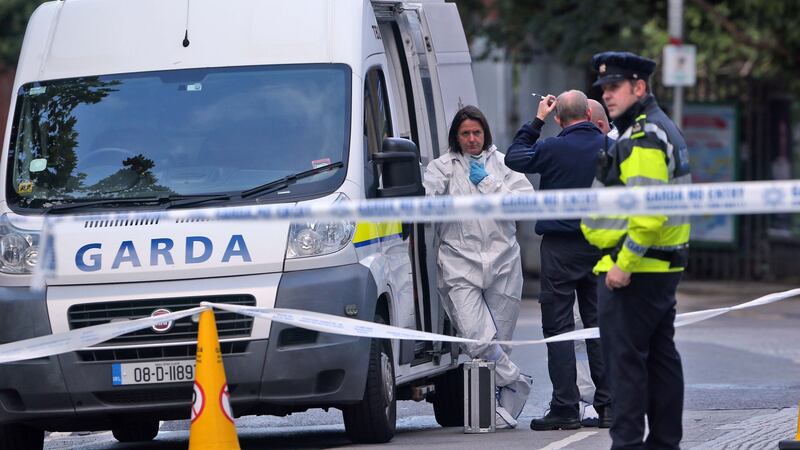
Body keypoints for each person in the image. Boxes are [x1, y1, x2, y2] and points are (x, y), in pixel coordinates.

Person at [581, 51, 691, 450]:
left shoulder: (644, 134)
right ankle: (664, 443)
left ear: (639, 87)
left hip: (636, 269)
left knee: (625, 367)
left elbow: (648, 213)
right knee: (661, 362)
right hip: (655, 267)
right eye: (604, 88)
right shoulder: (654, 128)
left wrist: (623, 265)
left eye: (615, 87)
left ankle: (626, 444)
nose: (607, 95)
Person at [505, 90, 611, 431]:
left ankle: (565, 407)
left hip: (560, 249)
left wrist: (536, 121)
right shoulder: (611, 148)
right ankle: (608, 406)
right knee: (600, 326)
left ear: (558, 117)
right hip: (602, 246)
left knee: (559, 329)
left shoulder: (551, 148)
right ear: (590, 114)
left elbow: (514, 157)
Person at [423, 105, 534, 429]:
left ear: (485, 133)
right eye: (465, 133)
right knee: (478, 337)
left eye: (477, 133)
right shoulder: (440, 168)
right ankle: (517, 382)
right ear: (455, 137)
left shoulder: (503, 165)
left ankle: (495, 408)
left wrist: (488, 183)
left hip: (503, 262)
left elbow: (523, 204)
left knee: (500, 340)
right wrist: (439, 187)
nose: (472, 139)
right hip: (460, 261)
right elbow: (427, 209)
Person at [575, 98, 616, 427]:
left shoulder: (615, 150)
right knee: (582, 330)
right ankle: (593, 400)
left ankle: (604, 400)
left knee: (600, 329)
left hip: (609, 255)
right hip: (601, 252)